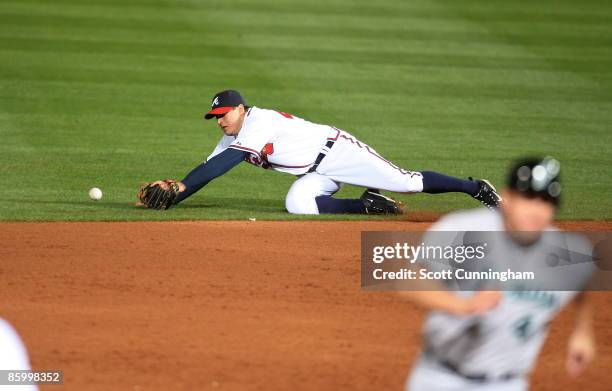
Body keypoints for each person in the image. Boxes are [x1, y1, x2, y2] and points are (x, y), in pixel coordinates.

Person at [402, 157, 596, 391]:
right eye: (527, 198)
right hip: (440, 378)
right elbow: (410, 280)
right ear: (507, 199)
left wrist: (583, 332)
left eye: (545, 202)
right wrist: (462, 306)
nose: (535, 210)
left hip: (508, 383)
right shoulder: (464, 230)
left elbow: (583, 280)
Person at [140, 90, 502, 214]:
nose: (219, 121)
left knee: (406, 183)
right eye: (215, 117)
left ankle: (476, 188)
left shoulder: (258, 122)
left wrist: (183, 189)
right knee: (298, 205)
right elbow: (208, 167)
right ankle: (368, 205)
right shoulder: (233, 135)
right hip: (316, 172)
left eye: (223, 114)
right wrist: (178, 195)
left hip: (339, 152)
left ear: (240, 109)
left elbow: (225, 164)